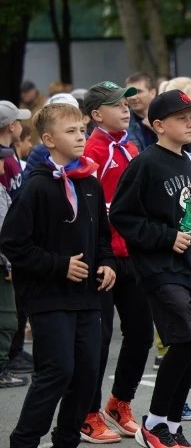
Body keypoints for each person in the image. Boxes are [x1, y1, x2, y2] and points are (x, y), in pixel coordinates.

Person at [2, 103, 116, 448]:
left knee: (87, 374)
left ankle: (67, 438)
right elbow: (12, 242)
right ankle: (24, 440)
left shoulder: (90, 182)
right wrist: (59, 265)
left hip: (87, 297)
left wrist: (108, 262)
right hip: (48, 296)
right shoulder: (37, 187)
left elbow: (102, 237)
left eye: (82, 130)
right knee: (58, 371)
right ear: (48, 139)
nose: (81, 136)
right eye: (71, 132)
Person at [110, 90, 191, 448]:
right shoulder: (145, 164)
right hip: (159, 268)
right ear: (158, 125)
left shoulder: (189, 161)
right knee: (185, 338)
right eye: (182, 118)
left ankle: (171, 424)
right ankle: (153, 423)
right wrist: (165, 237)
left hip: (189, 267)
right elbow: (122, 215)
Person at [80, 80, 153, 444]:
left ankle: (119, 402)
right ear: (96, 114)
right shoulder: (92, 149)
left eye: (127, 103)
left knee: (140, 332)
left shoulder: (131, 145)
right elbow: (93, 210)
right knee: (99, 337)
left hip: (132, 255)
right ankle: (87, 413)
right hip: (104, 259)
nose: (126, 108)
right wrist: (100, 254)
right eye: (116, 104)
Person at [0, 146, 25, 389]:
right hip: (3, 263)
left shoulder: (3, 189)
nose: (3, 166)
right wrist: (9, 263)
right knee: (7, 320)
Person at [0, 101, 29, 200]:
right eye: (19, 122)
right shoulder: (2, 160)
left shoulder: (10, 151)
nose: (22, 126)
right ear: (11, 126)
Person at [125, 72, 159, 152]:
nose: (133, 97)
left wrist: (160, 132)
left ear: (152, 93)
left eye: (138, 92)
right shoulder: (123, 123)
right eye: (129, 93)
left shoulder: (167, 118)